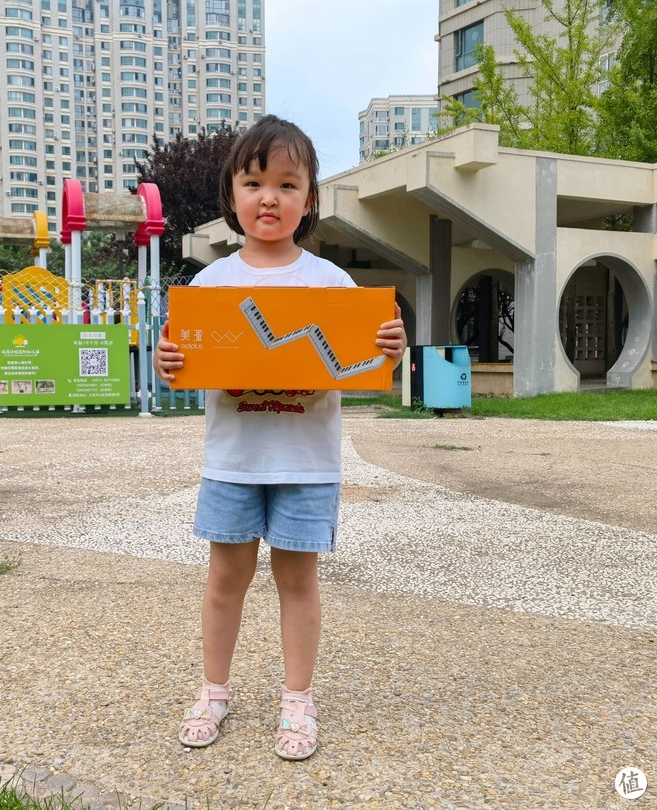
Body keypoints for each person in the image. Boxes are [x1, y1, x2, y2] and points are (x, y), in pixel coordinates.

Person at [154, 115, 407, 761]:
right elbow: (185, 359)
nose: (270, 197)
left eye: (288, 184)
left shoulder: (332, 284)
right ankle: (214, 689)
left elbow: (368, 358)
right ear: (231, 196)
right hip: (233, 460)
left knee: (298, 581)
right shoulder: (209, 285)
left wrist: (391, 348)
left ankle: (298, 698)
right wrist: (169, 362)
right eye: (254, 181)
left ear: (309, 199)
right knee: (224, 579)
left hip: (307, 461)